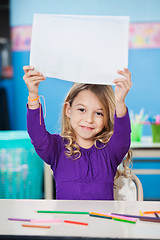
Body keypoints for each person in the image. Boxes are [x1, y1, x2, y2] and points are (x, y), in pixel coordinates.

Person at [23, 66, 132, 200]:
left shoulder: (109, 151)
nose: (89, 119)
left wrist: (120, 102)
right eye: (82, 110)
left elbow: (123, 137)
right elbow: (37, 135)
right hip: (66, 220)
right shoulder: (57, 149)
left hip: (102, 221)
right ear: (68, 110)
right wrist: (33, 95)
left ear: (106, 117)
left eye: (98, 113)